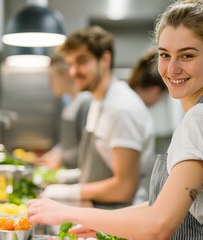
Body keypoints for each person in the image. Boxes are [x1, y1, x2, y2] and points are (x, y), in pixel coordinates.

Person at [27, 0, 203, 239]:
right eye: (165, 55)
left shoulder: (202, 120)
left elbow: (159, 225)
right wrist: (106, 224)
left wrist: (68, 212)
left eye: (186, 55)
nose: (172, 69)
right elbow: (164, 208)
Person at [40, 26, 156, 208]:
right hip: (100, 211)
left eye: (81, 62)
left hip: (120, 219)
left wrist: (72, 192)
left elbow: (125, 187)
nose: (73, 72)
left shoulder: (121, 108)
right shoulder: (98, 101)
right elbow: (103, 170)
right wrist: (70, 177)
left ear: (105, 59)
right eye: (70, 64)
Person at [36, 55, 92, 172]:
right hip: (69, 173)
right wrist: (56, 152)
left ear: (66, 76)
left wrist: (61, 157)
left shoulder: (86, 102)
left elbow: (87, 148)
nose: (50, 84)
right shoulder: (70, 103)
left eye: (52, 78)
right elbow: (69, 143)